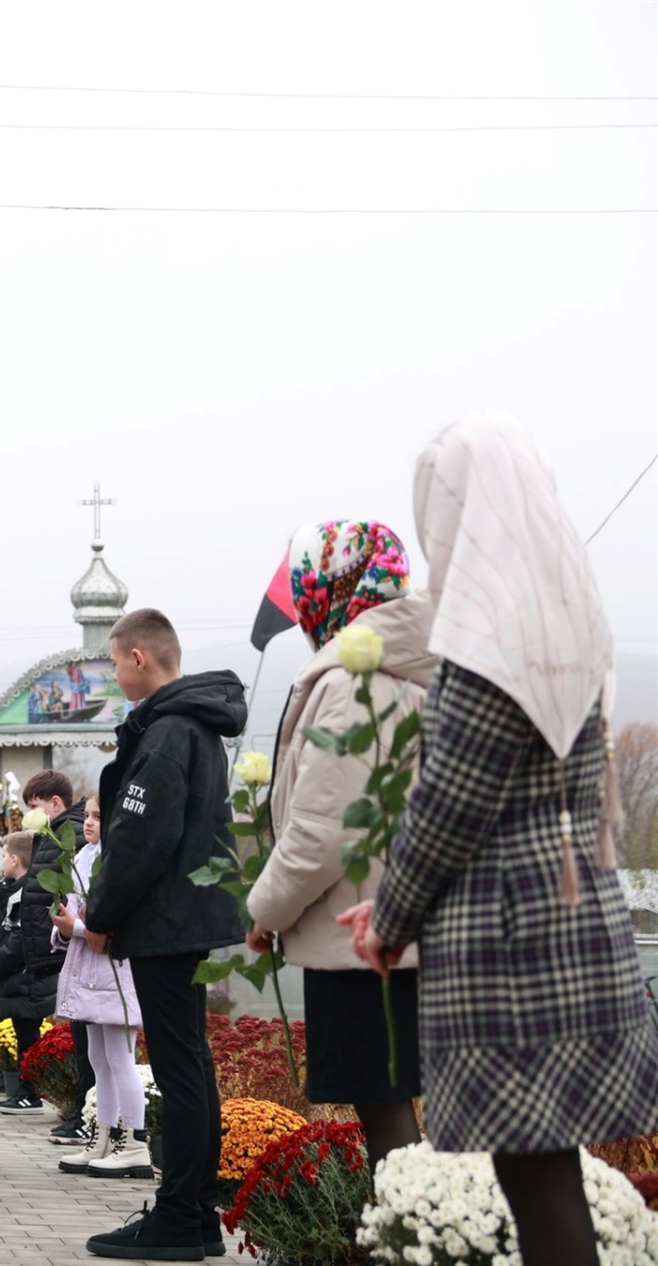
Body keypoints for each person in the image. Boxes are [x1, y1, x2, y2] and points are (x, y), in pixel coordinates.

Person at [341, 413, 658, 1266]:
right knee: (546, 1173)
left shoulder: (489, 634)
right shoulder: (567, 614)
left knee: (538, 1179)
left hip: (510, 937)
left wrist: (393, 918)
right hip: (569, 908)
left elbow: (451, 802)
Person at [246, 521, 430, 1168]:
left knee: (384, 1112)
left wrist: (266, 910)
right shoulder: (401, 669)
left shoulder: (356, 682)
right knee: (393, 1105)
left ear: (334, 587)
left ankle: (410, 1239)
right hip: (396, 926)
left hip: (361, 940)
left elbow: (325, 832)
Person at [80, 609, 246, 1261]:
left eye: (116, 662)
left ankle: (178, 1216)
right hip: (188, 915)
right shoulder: (192, 724)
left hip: (166, 918)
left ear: (139, 659)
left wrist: (102, 915)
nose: (116, 673)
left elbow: (140, 837)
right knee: (189, 1062)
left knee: (179, 1069)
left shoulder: (170, 729)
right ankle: (196, 1213)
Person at [51, 795, 149, 1180]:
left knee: (121, 1058)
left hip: (115, 969)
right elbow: (77, 911)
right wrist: (64, 922)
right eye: (88, 816)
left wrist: (74, 926)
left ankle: (136, 1141)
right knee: (98, 1059)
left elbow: (112, 924)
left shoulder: (121, 860)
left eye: (97, 817)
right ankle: (104, 1137)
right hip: (90, 968)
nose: (89, 823)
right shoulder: (84, 857)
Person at [0, 770, 83, 1116]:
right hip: (43, 955)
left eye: (35, 806)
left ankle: (66, 1102)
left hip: (50, 956)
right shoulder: (52, 836)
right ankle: (64, 1102)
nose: (30, 814)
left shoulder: (68, 837)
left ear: (54, 803)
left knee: (75, 1038)